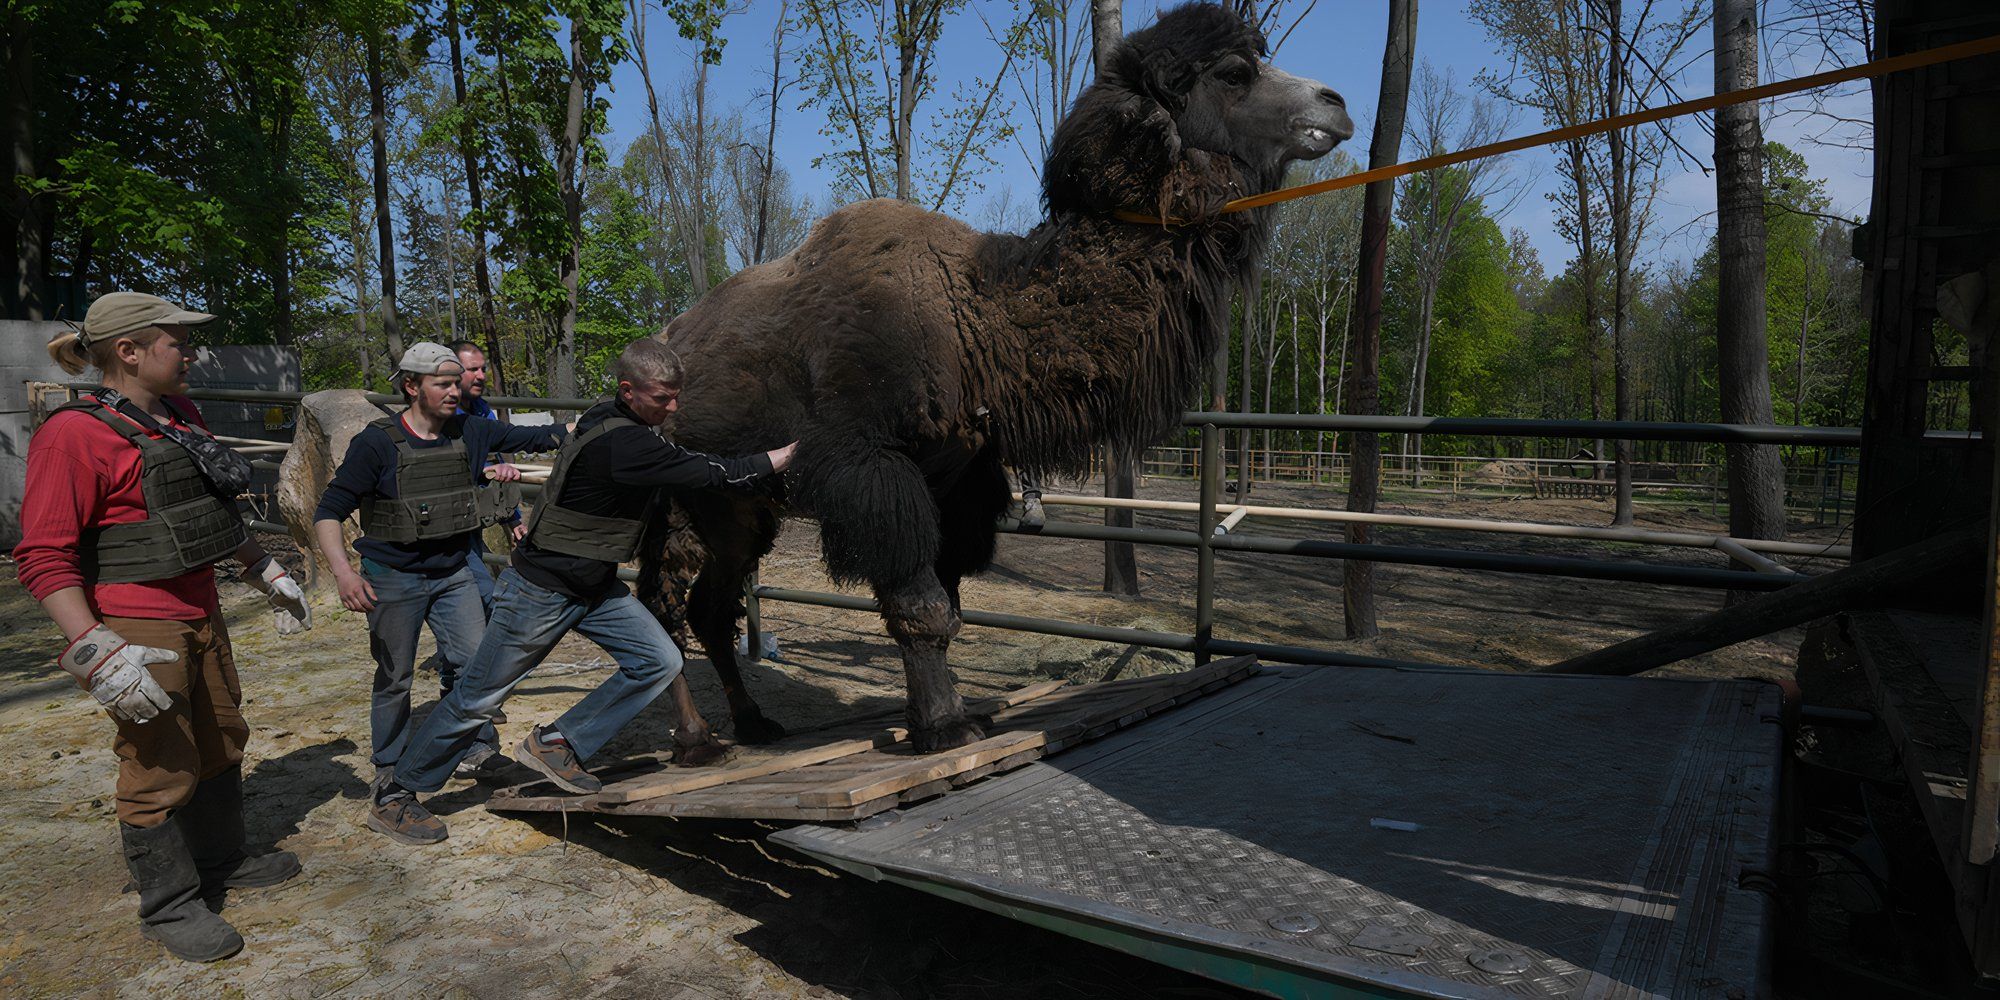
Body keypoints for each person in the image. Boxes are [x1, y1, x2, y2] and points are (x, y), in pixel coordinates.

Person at [372, 338, 795, 844]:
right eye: (663, 398)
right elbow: (712, 473)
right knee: (477, 697)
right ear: (628, 391)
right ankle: (397, 793)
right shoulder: (626, 445)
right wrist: (783, 456)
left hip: (593, 585)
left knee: (658, 661)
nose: (674, 408)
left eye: (677, 396)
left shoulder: (608, 417)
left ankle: (556, 742)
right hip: (542, 590)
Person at [16, 291, 312, 962]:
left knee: (222, 736)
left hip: (201, 607)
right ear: (129, 351)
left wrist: (264, 569)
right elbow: (42, 554)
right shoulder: (73, 435)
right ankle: (170, 904)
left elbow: (204, 509)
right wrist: (97, 652)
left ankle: (222, 861)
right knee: (158, 763)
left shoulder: (179, 415)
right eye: (177, 342)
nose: (191, 354)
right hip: (137, 624)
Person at [311, 343, 569, 842]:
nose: (456, 391)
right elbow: (330, 510)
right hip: (392, 576)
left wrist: (598, 423)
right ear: (412, 386)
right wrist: (344, 574)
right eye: (444, 383)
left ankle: (472, 749)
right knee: (395, 678)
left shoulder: (470, 429)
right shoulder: (377, 443)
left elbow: (541, 436)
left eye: (458, 382)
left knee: (477, 666)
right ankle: (388, 772)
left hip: (453, 572)